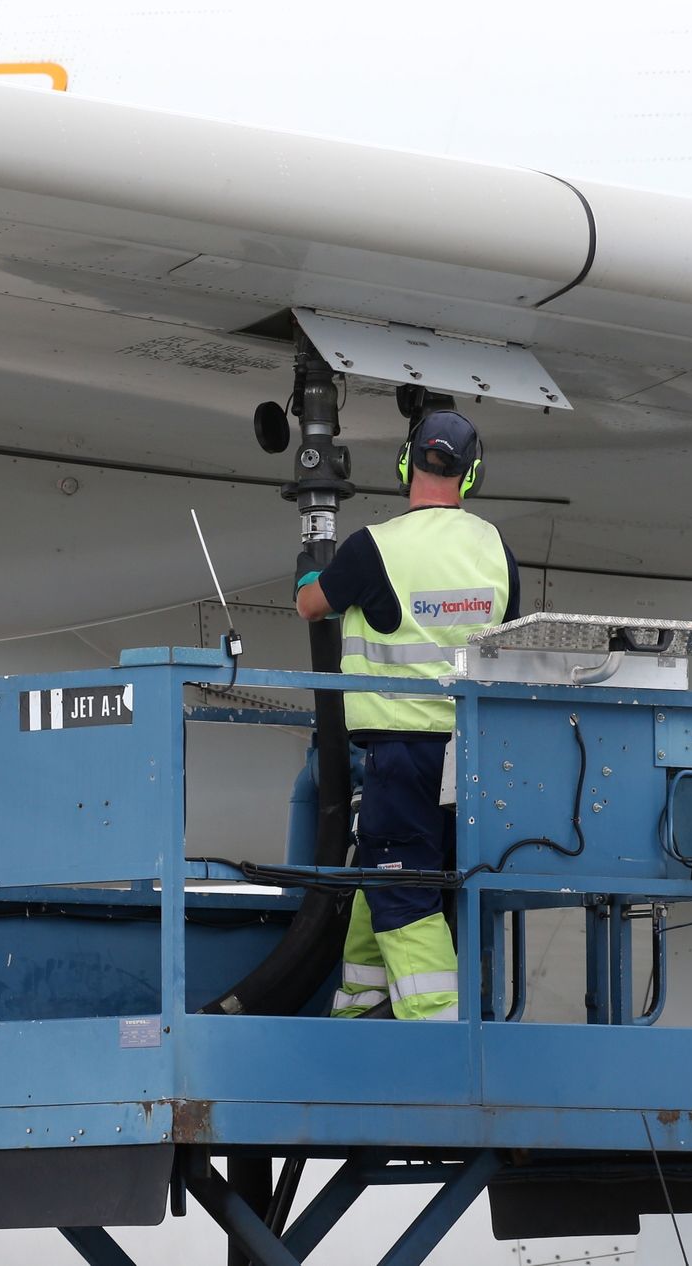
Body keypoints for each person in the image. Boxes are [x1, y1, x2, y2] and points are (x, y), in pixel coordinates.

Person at [295, 408, 517, 1021]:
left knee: (403, 891)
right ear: (470, 477)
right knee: (393, 874)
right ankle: (361, 1006)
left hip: (402, 754)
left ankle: (438, 1033)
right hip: (474, 758)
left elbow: (311, 605)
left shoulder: (376, 547)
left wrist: (319, 572)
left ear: (405, 462)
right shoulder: (495, 549)